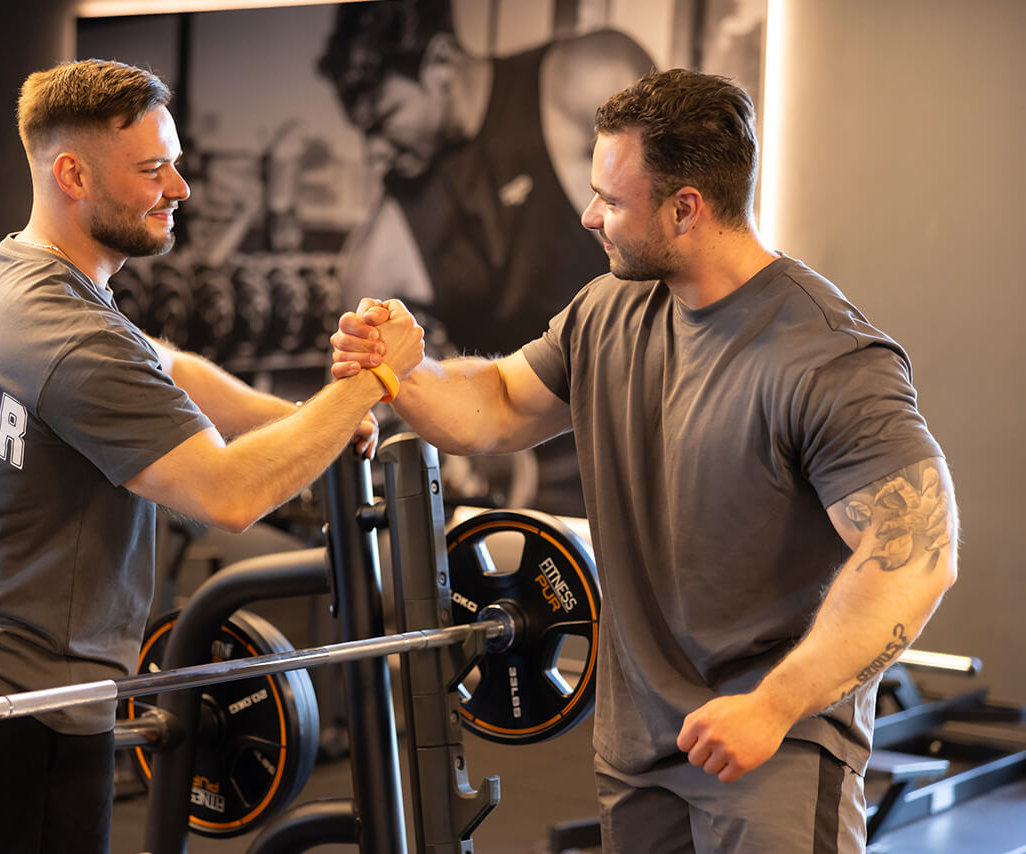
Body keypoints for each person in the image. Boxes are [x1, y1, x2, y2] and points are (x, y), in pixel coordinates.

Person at [330, 68, 958, 852]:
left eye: (611, 200)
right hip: (638, 750)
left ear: (685, 208)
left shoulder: (825, 355)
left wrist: (772, 705)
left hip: (771, 750)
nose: (589, 214)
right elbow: (499, 401)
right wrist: (402, 372)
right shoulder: (610, 309)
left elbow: (916, 556)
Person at [0, 59, 423, 854]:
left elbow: (162, 365)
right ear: (73, 174)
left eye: (175, 163)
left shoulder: (6, 273)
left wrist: (297, 418)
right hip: (27, 711)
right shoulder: (73, 335)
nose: (179, 188)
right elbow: (227, 494)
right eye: (152, 170)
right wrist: (373, 383)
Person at [317, 0, 654, 515]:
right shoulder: (390, 234)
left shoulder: (583, 81)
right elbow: (360, 394)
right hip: (529, 467)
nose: (377, 150)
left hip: (646, 427)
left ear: (440, 62)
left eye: (385, 120)